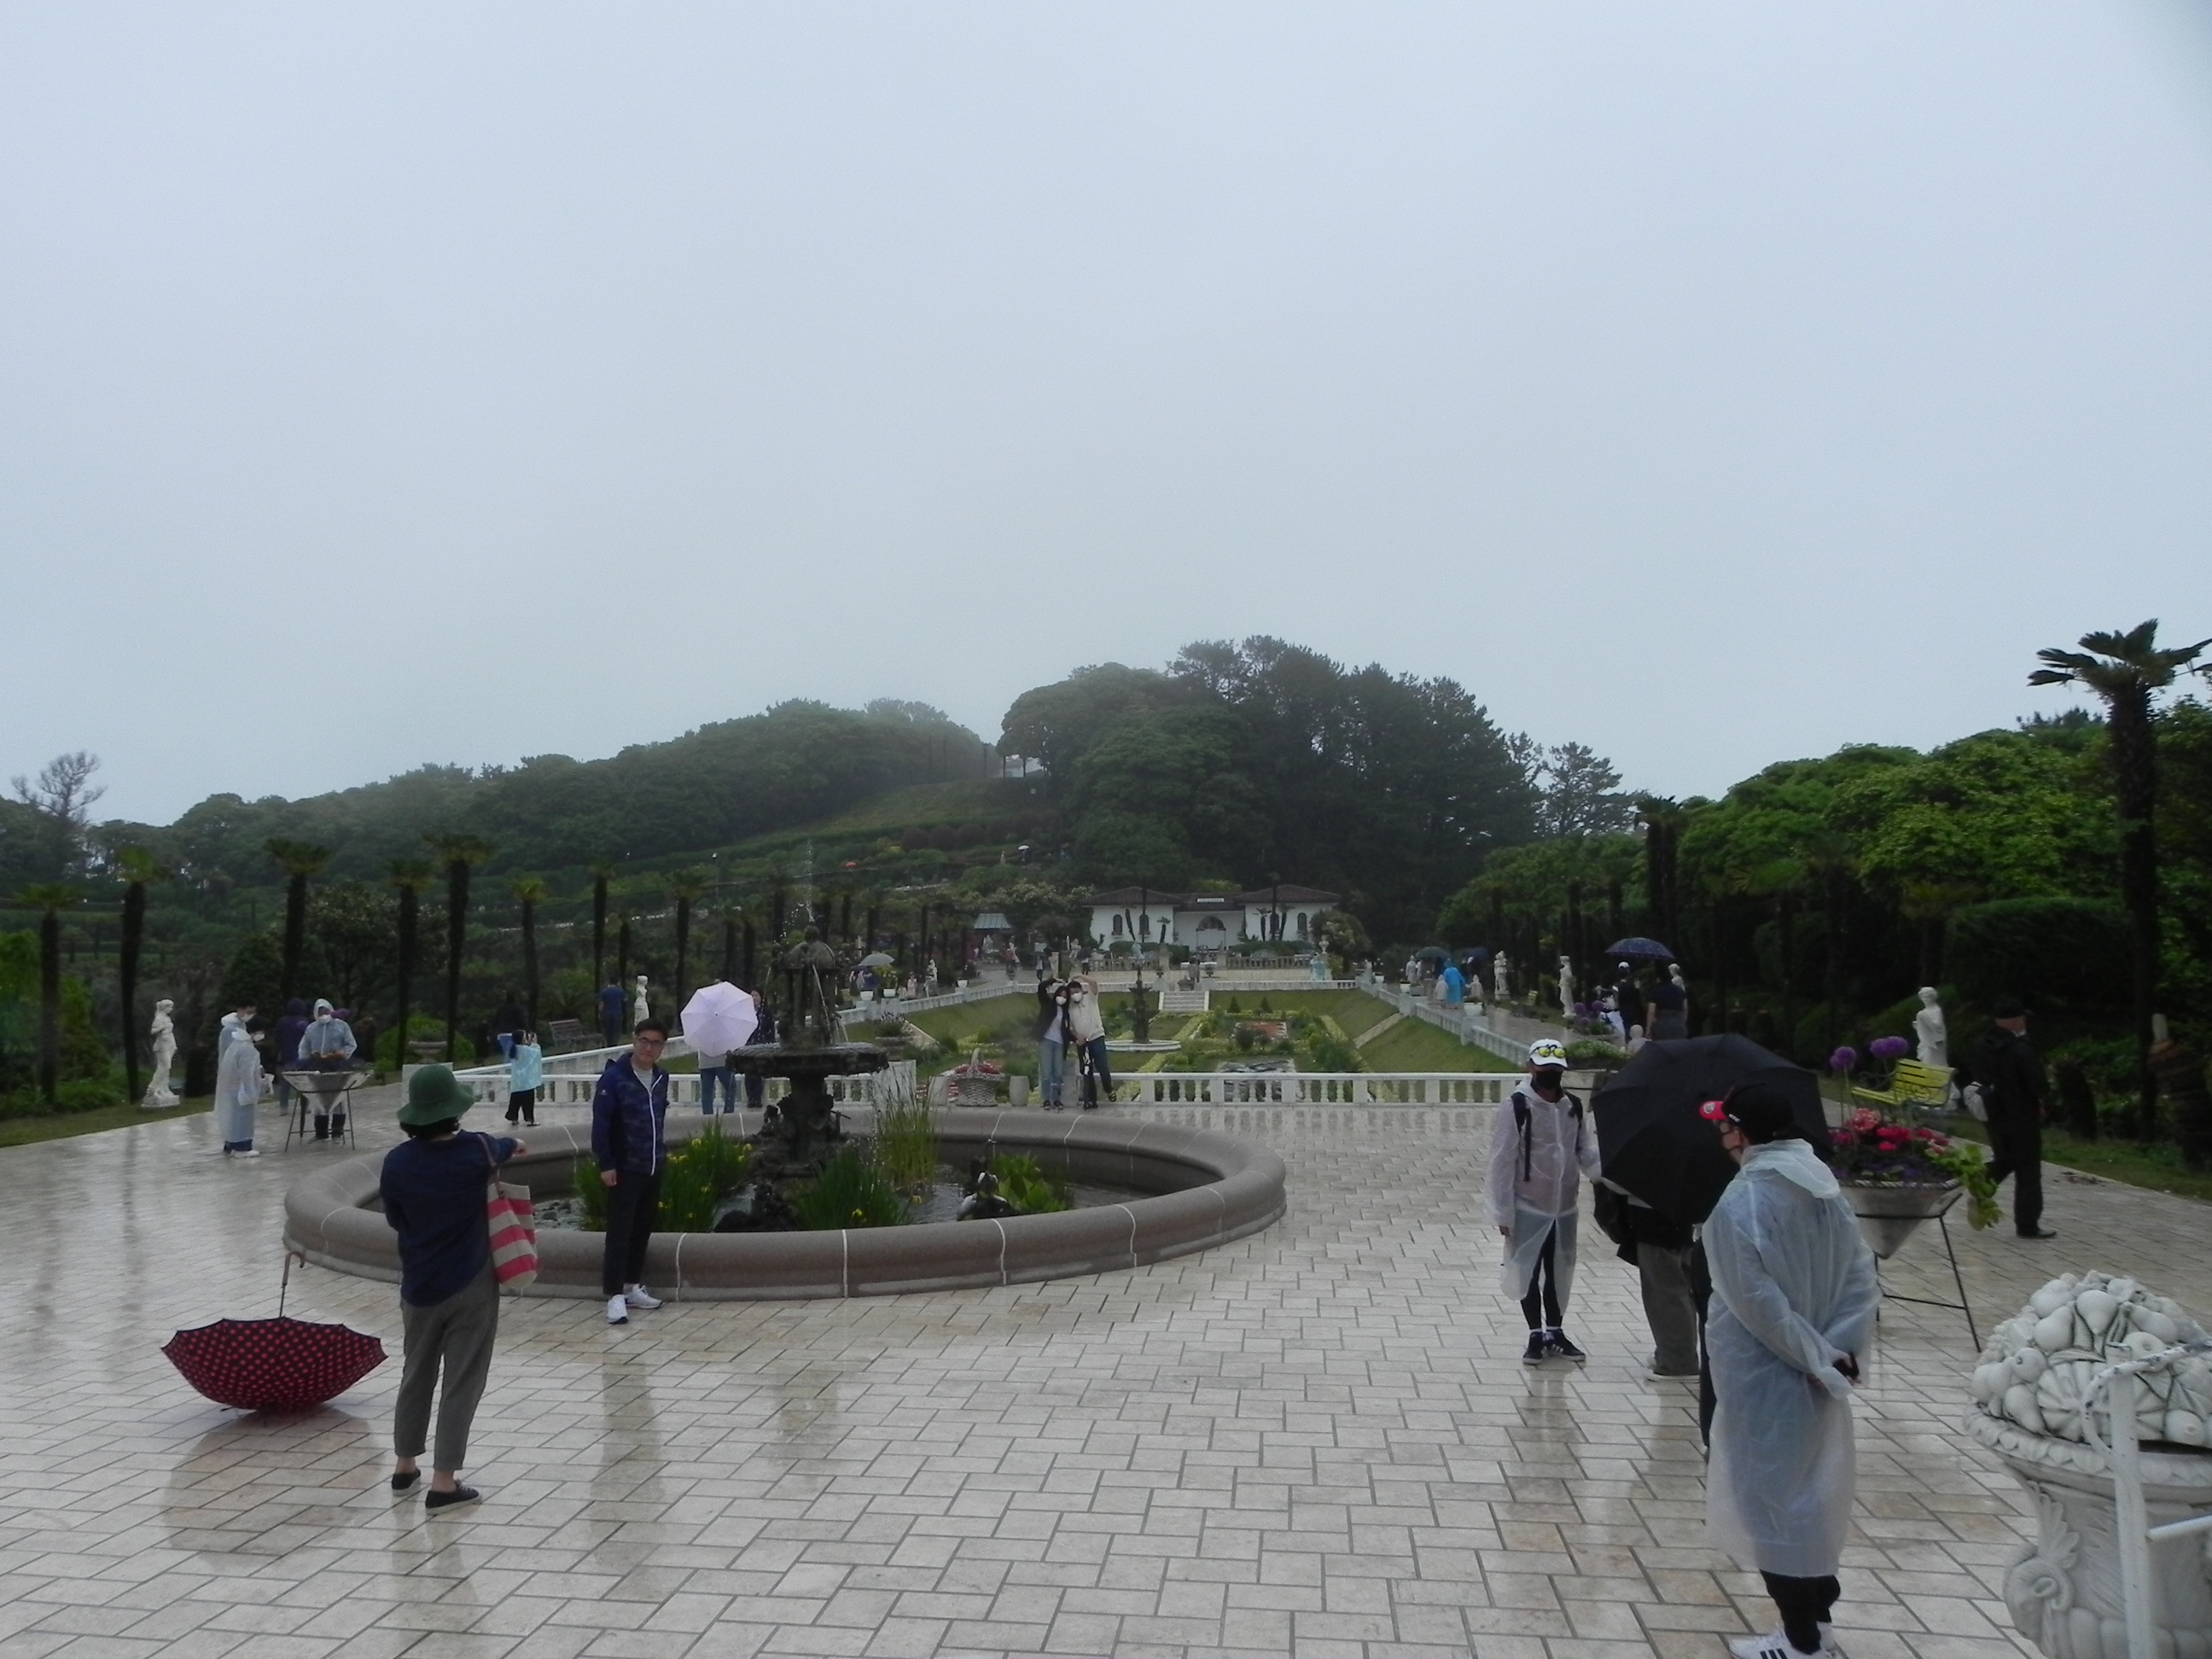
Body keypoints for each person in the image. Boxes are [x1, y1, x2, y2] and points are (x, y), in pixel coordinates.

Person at [1698, 1080, 1877, 1659]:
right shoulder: (1824, 1189)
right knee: (1811, 1496)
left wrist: (1814, 1356)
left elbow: (1759, 1306)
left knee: (1770, 1502)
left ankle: (1800, 1639)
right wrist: (1839, 1351)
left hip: (1764, 1376)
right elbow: (1860, 1277)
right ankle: (1817, 1622)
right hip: (1816, 1370)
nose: (1722, 1138)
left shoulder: (1741, 1204)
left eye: (1725, 1127)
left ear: (1741, 1132)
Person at [380, 1064, 521, 1513]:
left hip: (419, 1285)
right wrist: (515, 1144)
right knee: (462, 1379)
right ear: (455, 1110)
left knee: (416, 1372)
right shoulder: (477, 1150)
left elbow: (395, 1218)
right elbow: (505, 1146)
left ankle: (405, 1466)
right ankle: (444, 1483)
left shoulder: (397, 1163)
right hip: (471, 1281)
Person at [1487, 1038, 1601, 1363]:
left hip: (1564, 1209)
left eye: (1555, 1069)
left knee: (1559, 1270)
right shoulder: (1517, 1107)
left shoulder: (1572, 1107)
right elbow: (1502, 1160)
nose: (1550, 1074)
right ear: (1530, 1067)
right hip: (1528, 1205)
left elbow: (1583, 1150)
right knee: (1527, 1269)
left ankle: (1556, 1330)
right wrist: (1502, 1211)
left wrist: (1605, 1174)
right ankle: (1535, 1333)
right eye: (1543, 1068)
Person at [591, 1019, 671, 1326]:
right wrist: (606, 1163)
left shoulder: (661, 1078)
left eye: (656, 1043)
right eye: (644, 1041)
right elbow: (601, 1124)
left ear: (662, 1048)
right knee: (620, 1233)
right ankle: (614, 1294)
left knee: (641, 1230)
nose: (649, 1048)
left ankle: (632, 1285)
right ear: (634, 1041)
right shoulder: (614, 1079)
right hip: (625, 1167)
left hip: (652, 1164)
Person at [1961, 998, 2054, 1240]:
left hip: (1992, 1113)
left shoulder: (1981, 1045)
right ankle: (2027, 1224)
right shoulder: (2021, 1050)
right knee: (2028, 1171)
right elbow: (2038, 1085)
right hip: (2022, 1115)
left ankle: (1984, 1180)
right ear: (2016, 1020)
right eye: (2022, 1018)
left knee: (2006, 1157)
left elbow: (1977, 1074)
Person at [299, 998, 358, 1140]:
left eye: (326, 1011)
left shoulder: (341, 1026)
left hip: (337, 1066)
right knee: (318, 1100)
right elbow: (304, 1047)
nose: (323, 1015)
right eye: (320, 1012)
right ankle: (321, 1133)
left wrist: (340, 1054)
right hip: (317, 1067)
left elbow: (351, 1044)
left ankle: (337, 1131)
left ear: (331, 1010)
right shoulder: (311, 1029)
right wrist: (308, 1059)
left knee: (338, 1099)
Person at [214, 1022, 267, 1155]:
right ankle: (242, 1148)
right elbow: (247, 1073)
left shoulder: (236, 1045)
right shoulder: (248, 1050)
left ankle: (230, 1145)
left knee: (232, 1119)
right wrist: (252, 1091)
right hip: (242, 1091)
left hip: (232, 1089)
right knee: (243, 1120)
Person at [1060, 975, 1112, 1109]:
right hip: (1083, 1043)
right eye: (1072, 993)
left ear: (1081, 991)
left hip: (1097, 1038)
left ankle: (1109, 1089)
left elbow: (1094, 983)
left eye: (1077, 991)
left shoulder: (1090, 998)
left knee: (1102, 1067)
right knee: (1087, 1072)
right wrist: (1077, 1036)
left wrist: (1079, 976)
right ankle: (1091, 1100)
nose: (1075, 995)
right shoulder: (1070, 1008)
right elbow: (1070, 1028)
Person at [273, 998, 311, 1126]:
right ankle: (306, 1106)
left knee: (285, 1084)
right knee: (303, 1082)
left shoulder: (282, 1022)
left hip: (285, 1056)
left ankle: (283, 1107)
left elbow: (277, 1038)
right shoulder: (304, 1021)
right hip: (301, 1057)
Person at [1035, 976, 1068, 1110]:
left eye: (1065, 996)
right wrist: (1054, 980)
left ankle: (1057, 1099)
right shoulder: (1048, 1004)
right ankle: (1047, 1100)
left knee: (1058, 1073)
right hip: (1046, 1041)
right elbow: (1041, 988)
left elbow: (1068, 1029)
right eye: (1060, 995)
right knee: (1047, 1073)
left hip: (1059, 1043)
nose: (1062, 998)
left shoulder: (1066, 1011)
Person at [505, 1030, 542, 1126]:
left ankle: (513, 1117)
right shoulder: (526, 1050)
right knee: (528, 1101)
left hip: (517, 1080)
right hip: (526, 1081)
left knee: (515, 1100)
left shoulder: (514, 1049)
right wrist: (534, 1043)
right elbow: (536, 1053)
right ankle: (530, 1119)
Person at [1647, 965, 1690, 1040]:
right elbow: (1685, 1007)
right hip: (1678, 1022)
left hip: (1662, 1023)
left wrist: (1648, 1027)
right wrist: (1683, 1020)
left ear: (1658, 979)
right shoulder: (1679, 990)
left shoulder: (1655, 991)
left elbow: (1651, 1011)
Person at [492, 995, 526, 1062]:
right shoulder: (517, 1008)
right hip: (513, 1034)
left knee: (506, 1051)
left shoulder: (501, 1008)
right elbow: (522, 1021)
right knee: (513, 1052)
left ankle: (507, 1063)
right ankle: (511, 1064)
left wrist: (492, 1032)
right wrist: (527, 1030)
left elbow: (495, 1021)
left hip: (502, 1034)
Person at [598, 979, 626, 1046]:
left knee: (607, 1031)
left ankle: (609, 1045)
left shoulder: (604, 991)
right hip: (617, 1014)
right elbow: (625, 999)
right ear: (617, 983)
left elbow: (601, 1004)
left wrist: (600, 1014)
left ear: (609, 982)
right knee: (616, 1032)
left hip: (607, 1014)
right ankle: (614, 1045)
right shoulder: (620, 991)